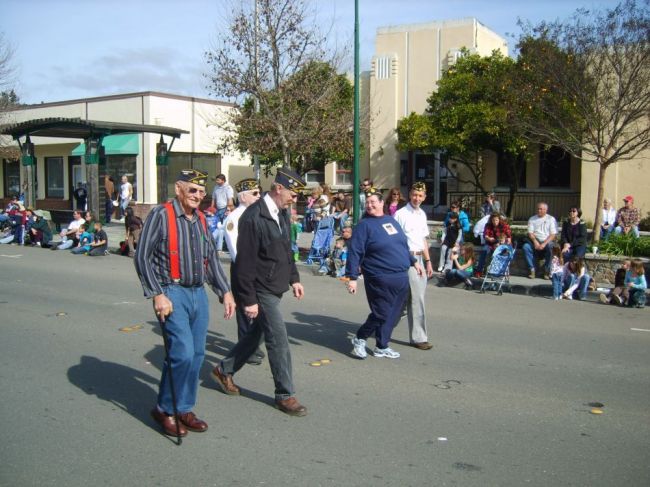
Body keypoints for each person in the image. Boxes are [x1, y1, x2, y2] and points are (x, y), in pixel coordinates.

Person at [134, 169, 235, 437]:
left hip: (197, 293)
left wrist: (225, 291)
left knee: (196, 355)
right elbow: (142, 257)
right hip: (171, 291)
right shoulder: (161, 214)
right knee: (182, 353)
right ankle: (165, 409)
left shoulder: (201, 219)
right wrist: (157, 294)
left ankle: (184, 407)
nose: (198, 196)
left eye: (202, 192)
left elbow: (211, 258)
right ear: (179, 189)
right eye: (193, 190)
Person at [211, 167, 308, 417]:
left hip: (275, 285)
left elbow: (287, 248)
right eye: (293, 193)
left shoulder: (282, 212)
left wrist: (294, 278)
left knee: (256, 336)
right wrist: (250, 299)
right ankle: (285, 394)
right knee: (278, 339)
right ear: (278, 188)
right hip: (260, 288)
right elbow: (243, 263)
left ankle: (224, 369)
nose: (295, 198)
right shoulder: (252, 217)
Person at [345, 187, 423, 360]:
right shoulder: (364, 225)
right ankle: (359, 338)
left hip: (400, 275)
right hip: (379, 276)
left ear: (382, 203)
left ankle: (382, 345)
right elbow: (355, 252)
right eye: (368, 202)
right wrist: (352, 278)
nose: (370, 205)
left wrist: (414, 261)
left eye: (374, 201)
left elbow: (401, 245)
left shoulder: (390, 221)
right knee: (382, 312)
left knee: (393, 313)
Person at [222, 178, 265, 365]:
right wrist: (247, 270)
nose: (259, 196)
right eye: (255, 193)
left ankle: (252, 345)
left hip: (258, 268)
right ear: (243, 196)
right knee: (244, 311)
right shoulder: (234, 218)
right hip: (243, 268)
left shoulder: (256, 214)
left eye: (259, 192)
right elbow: (235, 250)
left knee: (258, 309)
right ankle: (245, 349)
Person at [394, 182, 434, 350]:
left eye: (420, 195)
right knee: (417, 300)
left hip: (420, 259)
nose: (417, 198)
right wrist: (413, 261)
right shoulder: (400, 214)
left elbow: (423, 240)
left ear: (424, 197)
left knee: (404, 302)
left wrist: (428, 261)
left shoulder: (422, 214)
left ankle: (381, 323)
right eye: (414, 195)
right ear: (410, 194)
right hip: (407, 259)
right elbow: (396, 241)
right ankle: (419, 338)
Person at [522, 202, 557, 279]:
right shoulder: (532, 219)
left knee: (551, 247)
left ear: (546, 210)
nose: (539, 210)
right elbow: (530, 233)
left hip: (547, 241)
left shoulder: (551, 219)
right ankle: (532, 269)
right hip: (535, 241)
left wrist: (544, 244)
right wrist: (535, 242)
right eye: (538, 208)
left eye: (541, 209)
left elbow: (553, 235)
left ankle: (547, 271)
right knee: (526, 247)